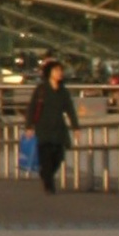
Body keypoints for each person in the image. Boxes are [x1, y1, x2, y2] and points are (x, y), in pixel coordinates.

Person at [28, 59, 75, 196]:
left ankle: (45, 174)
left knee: (58, 157)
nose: (60, 73)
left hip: (59, 129)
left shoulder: (63, 91)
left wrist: (75, 126)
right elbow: (32, 108)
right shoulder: (41, 89)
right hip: (43, 129)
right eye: (56, 70)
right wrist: (29, 126)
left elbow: (70, 109)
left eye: (60, 70)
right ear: (49, 73)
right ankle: (49, 185)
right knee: (46, 157)